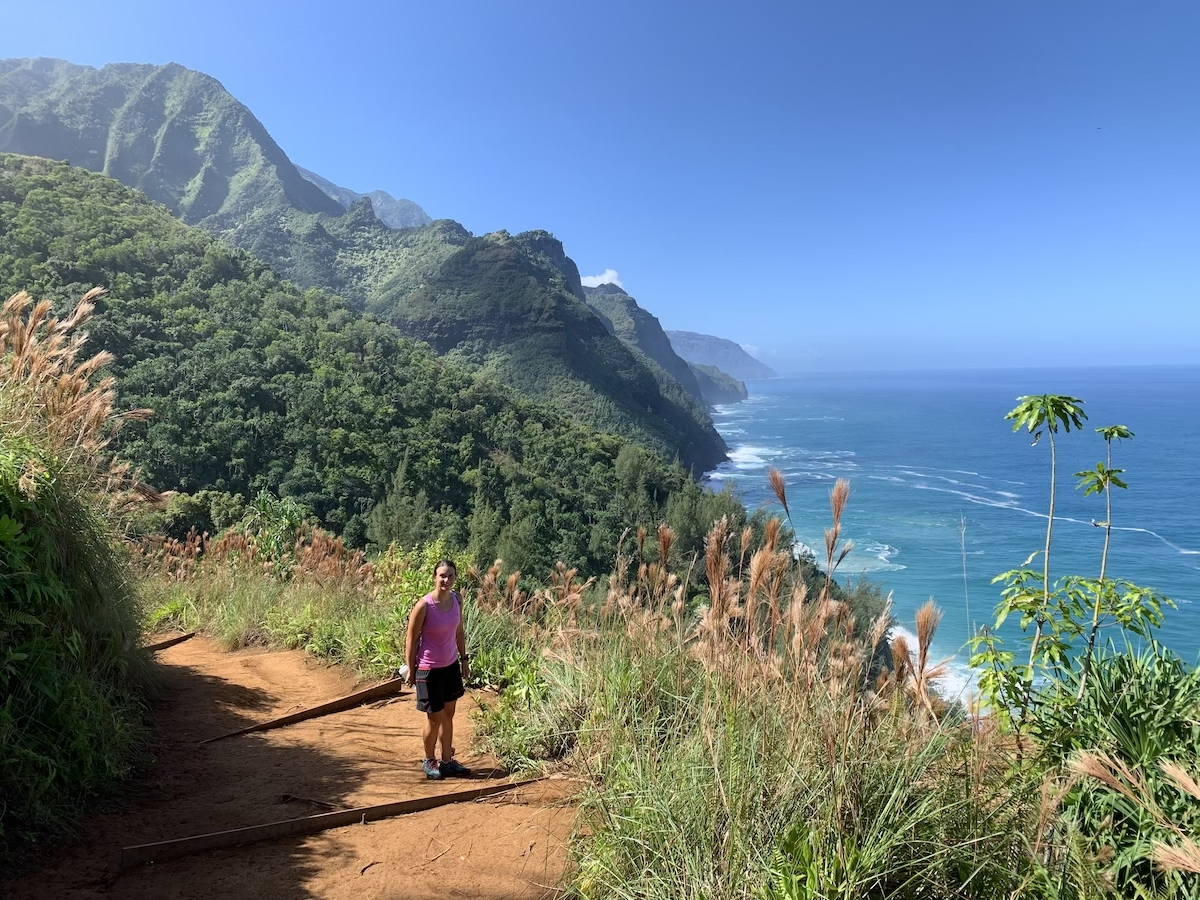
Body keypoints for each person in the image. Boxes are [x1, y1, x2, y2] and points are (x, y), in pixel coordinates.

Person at [404, 559, 471, 780]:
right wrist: (412, 671)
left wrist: (464, 659)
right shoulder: (424, 606)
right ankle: (429, 759)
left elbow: (459, 632)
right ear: (434, 577)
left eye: (450, 576)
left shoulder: (457, 599)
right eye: (442, 575)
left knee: (449, 715)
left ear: (455, 578)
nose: (446, 580)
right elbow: (411, 640)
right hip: (429, 669)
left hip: (450, 666)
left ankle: (448, 761)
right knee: (434, 718)